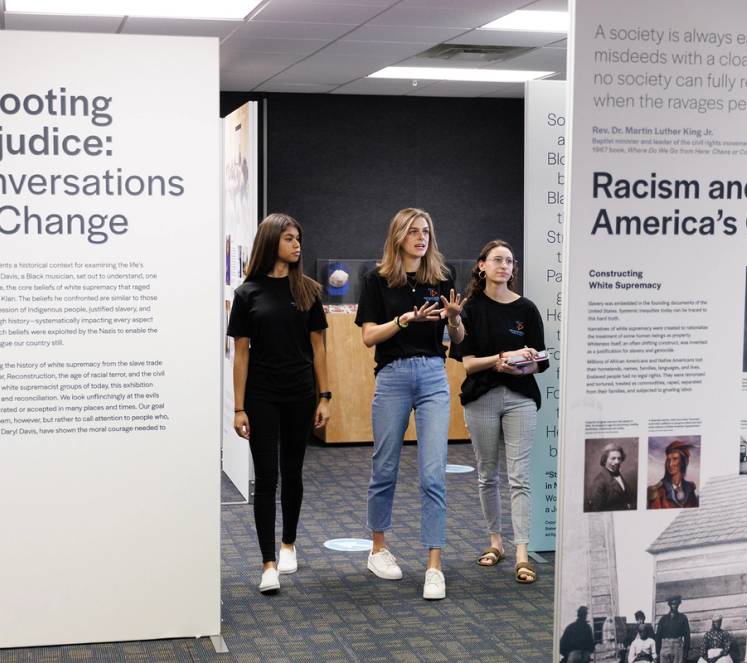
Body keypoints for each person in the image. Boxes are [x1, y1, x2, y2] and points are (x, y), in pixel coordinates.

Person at [355, 207, 466, 600]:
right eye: (414, 232)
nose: (422, 238)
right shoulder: (377, 278)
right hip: (393, 375)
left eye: (426, 232)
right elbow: (369, 337)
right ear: (398, 236)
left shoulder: (443, 275)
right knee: (384, 466)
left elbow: (458, 337)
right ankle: (378, 548)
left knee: (433, 473)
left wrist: (453, 319)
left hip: (433, 374)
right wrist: (402, 321)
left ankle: (434, 566)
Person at [227, 213, 331, 594]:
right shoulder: (247, 293)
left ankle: (289, 543)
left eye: (298, 238)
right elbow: (241, 354)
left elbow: (319, 347)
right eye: (289, 238)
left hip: (301, 393)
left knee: (293, 471)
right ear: (272, 241)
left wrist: (325, 396)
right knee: (266, 477)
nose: (297, 244)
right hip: (261, 395)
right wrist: (238, 408)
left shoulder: (307, 290)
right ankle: (267, 563)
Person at [450, 239, 548, 582]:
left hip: (521, 396)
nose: (504, 266)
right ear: (482, 266)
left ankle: (522, 552)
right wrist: (501, 359)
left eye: (509, 261)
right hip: (481, 397)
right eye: (497, 260)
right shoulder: (471, 309)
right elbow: (469, 364)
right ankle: (496, 543)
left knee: (519, 477)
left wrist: (523, 366)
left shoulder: (527, 309)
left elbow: (541, 362)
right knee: (486, 474)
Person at [648, 439, 699, 509]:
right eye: (668, 460)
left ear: (683, 462)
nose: (670, 464)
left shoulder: (690, 488)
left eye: (675, 459)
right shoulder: (658, 492)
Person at [586, 442, 635, 511]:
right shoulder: (599, 482)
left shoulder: (619, 475)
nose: (617, 462)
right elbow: (597, 510)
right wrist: (626, 507)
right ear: (605, 460)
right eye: (613, 458)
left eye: (619, 458)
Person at [656, 594, 691, 663]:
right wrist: (657, 652)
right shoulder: (663, 619)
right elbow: (658, 636)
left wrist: (685, 652)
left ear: (678, 604)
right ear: (669, 605)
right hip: (665, 646)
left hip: (677, 646)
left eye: (676, 604)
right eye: (672, 604)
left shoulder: (683, 618)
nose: (674, 606)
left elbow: (687, 636)